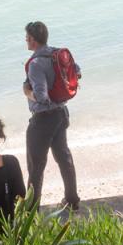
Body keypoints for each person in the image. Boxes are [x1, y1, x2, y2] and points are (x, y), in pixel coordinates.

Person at [21, 21, 79, 211]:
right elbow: (77, 72)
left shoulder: (36, 64)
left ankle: (31, 211)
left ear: (33, 40)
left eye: (27, 37)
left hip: (43, 119)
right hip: (61, 114)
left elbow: (41, 96)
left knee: (35, 166)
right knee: (64, 157)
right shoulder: (58, 54)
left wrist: (26, 92)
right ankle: (72, 200)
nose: (25, 40)